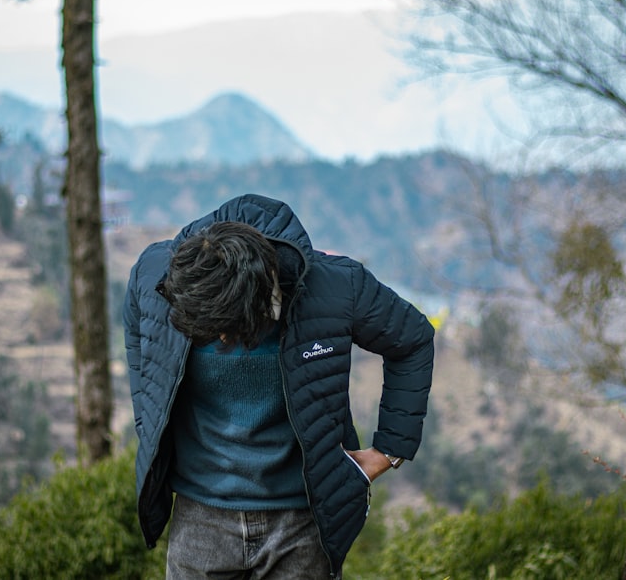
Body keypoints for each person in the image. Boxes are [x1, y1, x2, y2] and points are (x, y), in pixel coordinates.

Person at [123, 193, 434, 578]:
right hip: (199, 519)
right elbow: (141, 337)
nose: (221, 340)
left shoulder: (335, 286)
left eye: (230, 330)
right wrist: (148, 423)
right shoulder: (157, 274)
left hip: (302, 522)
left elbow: (413, 339)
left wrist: (388, 450)